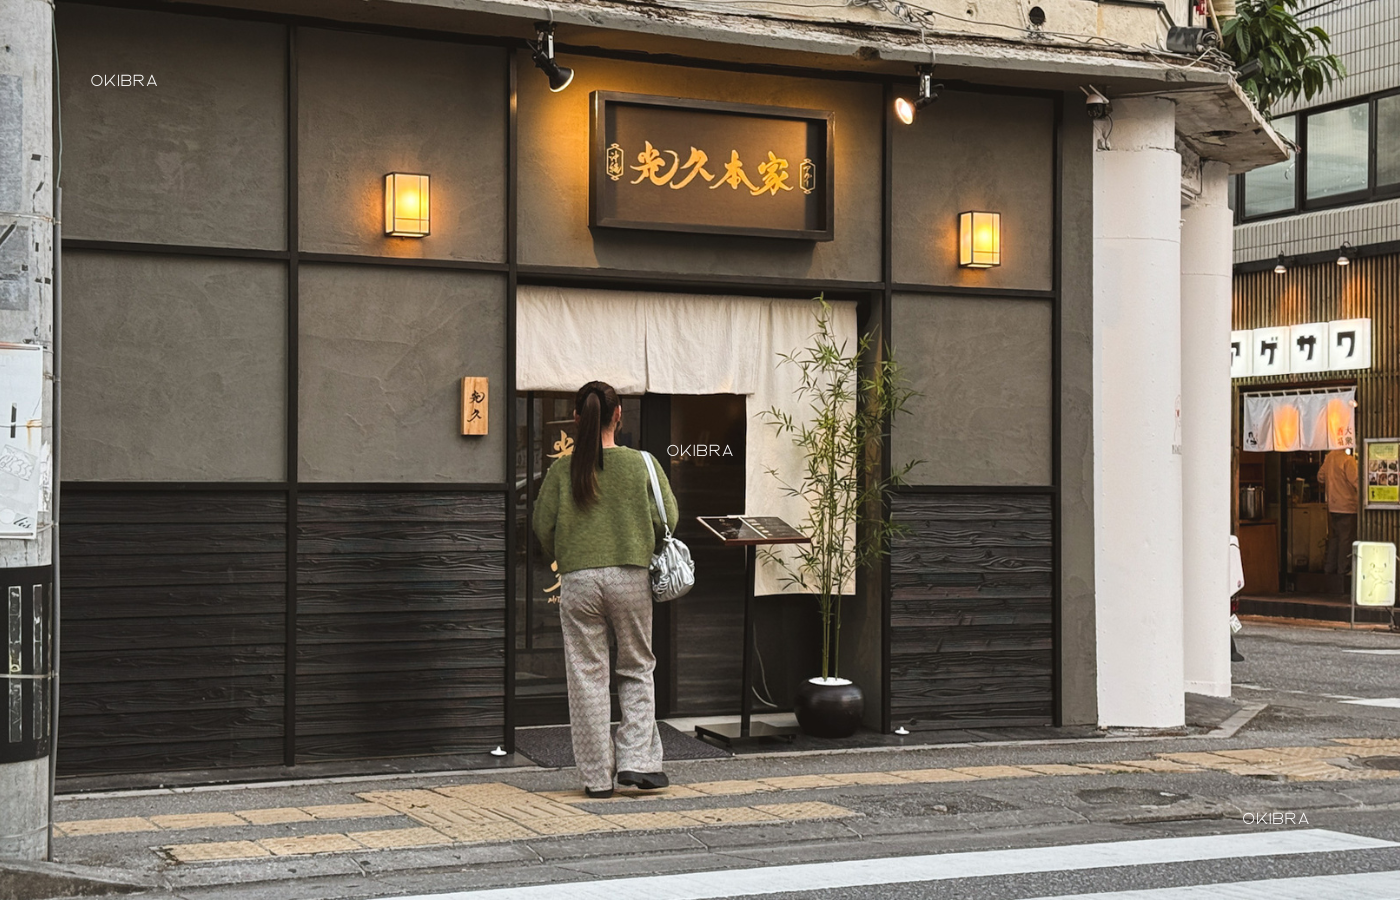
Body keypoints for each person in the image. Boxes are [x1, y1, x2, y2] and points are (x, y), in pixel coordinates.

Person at [532, 381, 679, 798]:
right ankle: (638, 762)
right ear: (619, 415)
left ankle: (597, 779)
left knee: (587, 676)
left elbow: (543, 526)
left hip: (578, 580)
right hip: (630, 575)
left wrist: (567, 552)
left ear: (576, 419)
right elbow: (669, 516)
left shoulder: (563, 469)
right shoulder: (641, 464)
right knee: (636, 666)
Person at [1317, 447, 1359, 577]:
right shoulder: (1348, 460)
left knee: (1334, 539)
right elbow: (1357, 482)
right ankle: (1343, 571)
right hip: (1347, 506)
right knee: (1346, 539)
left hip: (1332, 506)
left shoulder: (1329, 458)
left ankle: (1329, 569)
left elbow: (1320, 477)